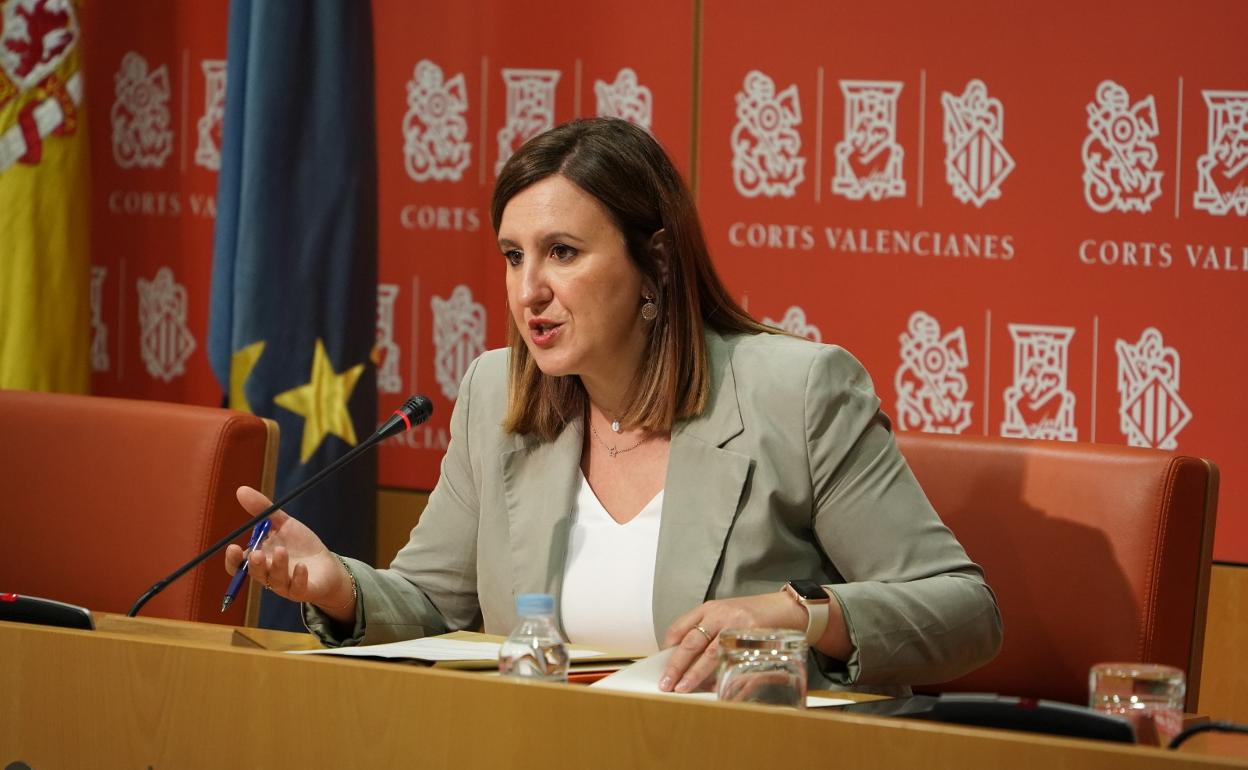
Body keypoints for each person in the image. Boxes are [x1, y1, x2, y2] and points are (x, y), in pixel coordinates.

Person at [226, 117, 1002, 695]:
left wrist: (797, 616)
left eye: (562, 252)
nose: (529, 290)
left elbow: (963, 612)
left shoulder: (796, 393)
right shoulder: (497, 395)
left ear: (654, 262)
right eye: (513, 256)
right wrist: (341, 588)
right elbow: (437, 605)